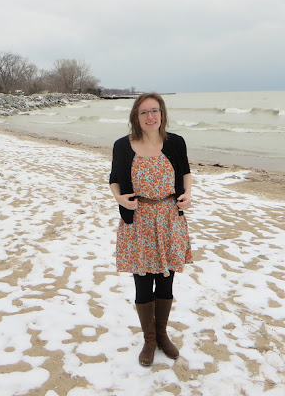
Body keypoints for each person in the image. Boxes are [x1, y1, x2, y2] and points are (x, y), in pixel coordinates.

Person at [109, 92, 193, 366]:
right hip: (139, 222)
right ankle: (149, 340)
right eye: (144, 112)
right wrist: (120, 199)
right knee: (143, 281)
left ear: (162, 114)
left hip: (169, 218)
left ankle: (162, 334)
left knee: (166, 279)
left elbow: (185, 172)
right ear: (136, 116)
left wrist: (188, 194)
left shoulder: (176, 143)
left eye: (154, 110)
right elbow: (114, 180)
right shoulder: (123, 146)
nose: (150, 116)